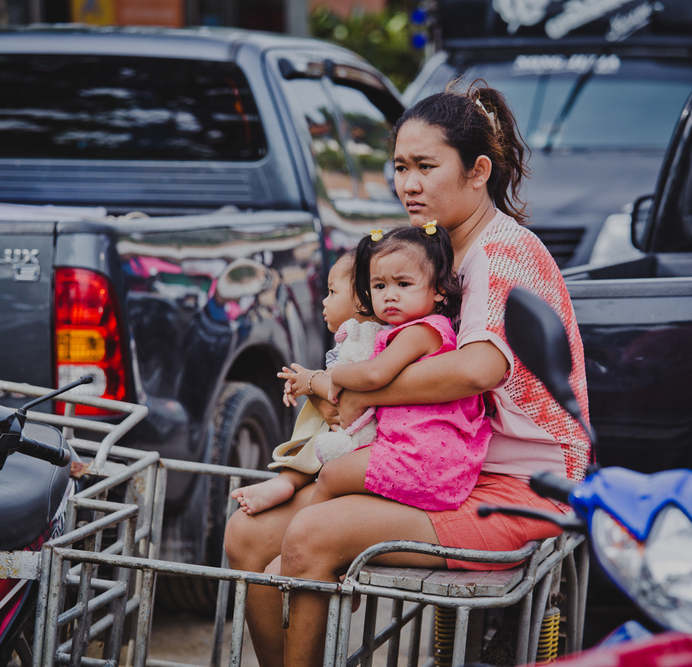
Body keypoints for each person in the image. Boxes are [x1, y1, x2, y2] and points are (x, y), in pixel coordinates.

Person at [223, 80, 591, 667]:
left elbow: (477, 368)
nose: (408, 184)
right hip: (445, 466)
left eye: (425, 165)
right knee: (246, 536)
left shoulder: (501, 252)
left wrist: (349, 384)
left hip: (523, 488)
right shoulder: (438, 252)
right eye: (399, 166)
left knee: (310, 538)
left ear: (478, 171)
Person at [286, 224, 486, 511]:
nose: (389, 295)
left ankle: (307, 532)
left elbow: (374, 374)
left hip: (424, 460)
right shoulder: (399, 331)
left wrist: (335, 377)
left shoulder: (422, 331)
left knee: (332, 473)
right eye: (380, 286)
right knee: (336, 470)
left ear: (439, 290)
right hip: (413, 452)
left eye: (403, 285)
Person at [230, 250, 382, 515]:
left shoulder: (370, 340)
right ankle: (285, 481)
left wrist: (310, 383)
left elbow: (343, 388)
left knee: (319, 436)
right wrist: (308, 386)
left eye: (333, 293)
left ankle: (287, 482)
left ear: (362, 300)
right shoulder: (350, 341)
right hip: (349, 434)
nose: (324, 302)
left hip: (360, 441)